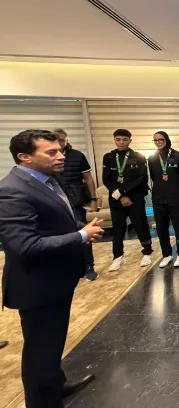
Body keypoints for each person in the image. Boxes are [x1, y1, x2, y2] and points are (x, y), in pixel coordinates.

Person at [0, 130, 104, 407]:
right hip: (37, 285)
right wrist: (80, 236)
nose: (61, 156)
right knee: (40, 351)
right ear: (24, 157)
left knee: (52, 342)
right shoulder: (12, 190)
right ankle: (42, 401)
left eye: (60, 150)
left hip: (55, 280)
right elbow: (25, 246)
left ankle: (56, 384)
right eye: (51, 152)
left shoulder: (46, 179)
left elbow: (55, 220)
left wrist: (79, 230)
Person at [102, 129, 153, 271]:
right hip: (116, 198)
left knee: (140, 224)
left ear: (130, 140)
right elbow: (106, 179)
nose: (121, 142)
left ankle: (147, 252)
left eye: (124, 139)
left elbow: (141, 178)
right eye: (118, 139)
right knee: (118, 227)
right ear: (114, 140)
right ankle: (117, 256)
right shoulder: (108, 157)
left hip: (134, 196)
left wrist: (123, 192)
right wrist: (120, 195)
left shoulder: (138, 157)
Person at [52, 128, 99, 281]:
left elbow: (88, 178)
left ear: (66, 140)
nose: (59, 142)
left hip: (75, 200)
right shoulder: (47, 157)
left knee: (83, 232)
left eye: (62, 139)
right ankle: (67, 266)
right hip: (55, 201)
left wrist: (93, 199)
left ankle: (89, 266)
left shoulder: (77, 156)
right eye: (56, 139)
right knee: (59, 235)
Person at [148, 131, 179, 268]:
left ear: (166, 140)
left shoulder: (178, 156)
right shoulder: (152, 158)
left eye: (161, 139)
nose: (158, 142)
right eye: (155, 140)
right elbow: (154, 177)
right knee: (161, 228)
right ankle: (167, 255)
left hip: (175, 197)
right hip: (159, 198)